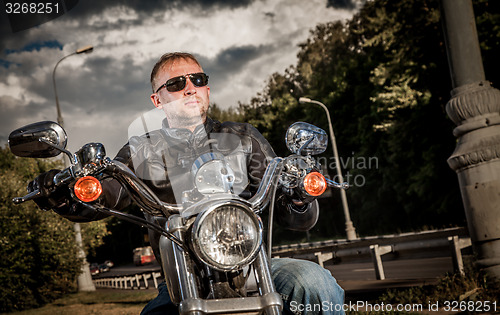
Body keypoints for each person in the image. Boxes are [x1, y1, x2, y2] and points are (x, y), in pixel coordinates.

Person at [30, 52, 345, 315]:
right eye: (177, 83)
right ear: (158, 100)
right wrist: (66, 190)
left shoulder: (243, 137)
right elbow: (111, 190)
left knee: (313, 283)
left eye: (199, 79)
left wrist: (298, 194)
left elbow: (289, 211)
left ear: (207, 89)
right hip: (181, 277)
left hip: (251, 266)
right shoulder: (142, 149)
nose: (190, 87)